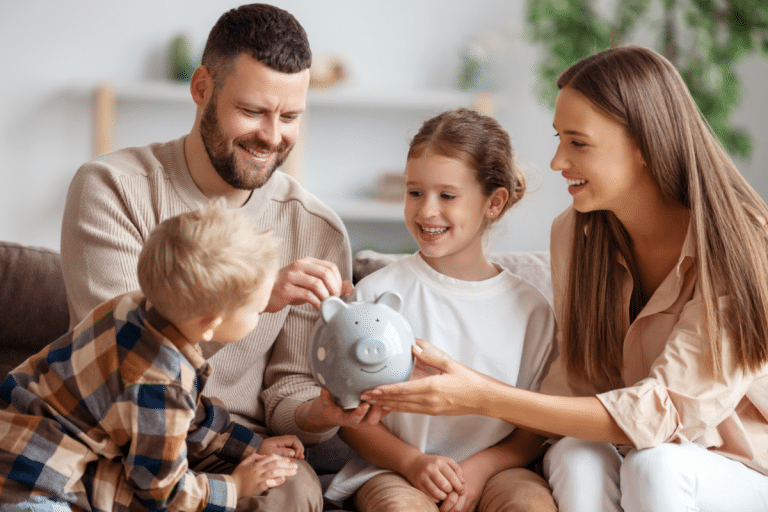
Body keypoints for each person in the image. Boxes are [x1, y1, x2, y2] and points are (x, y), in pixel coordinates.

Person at [361, 45, 768, 512]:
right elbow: (573, 387)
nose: (556, 162)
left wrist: (481, 396)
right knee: (575, 454)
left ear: (642, 144)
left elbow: (664, 413)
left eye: (577, 142)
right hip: (641, 451)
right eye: (559, 139)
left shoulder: (743, 241)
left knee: (657, 465)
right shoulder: (578, 233)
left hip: (740, 469)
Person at [60, 4, 384, 511]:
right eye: (253, 111)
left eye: (290, 116)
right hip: (121, 434)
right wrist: (252, 295)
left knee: (294, 487)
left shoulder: (315, 229)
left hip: (233, 443)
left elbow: (287, 394)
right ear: (202, 88)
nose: (273, 136)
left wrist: (323, 412)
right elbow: (121, 359)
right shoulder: (113, 189)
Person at [0, 201, 304, 511]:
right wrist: (237, 486)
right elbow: (163, 492)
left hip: (19, 426)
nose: (260, 314)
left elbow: (187, 417)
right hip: (32, 483)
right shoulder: (159, 384)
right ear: (210, 324)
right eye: (255, 309)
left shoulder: (132, 305)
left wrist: (252, 446)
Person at [324, 108, 558, 512]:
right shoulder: (378, 293)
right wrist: (412, 462)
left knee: (530, 505)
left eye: (447, 196)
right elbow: (351, 416)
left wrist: (480, 470)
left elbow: (532, 429)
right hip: (393, 468)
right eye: (415, 192)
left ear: (494, 203)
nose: (426, 210)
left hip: (496, 470)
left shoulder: (531, 310)